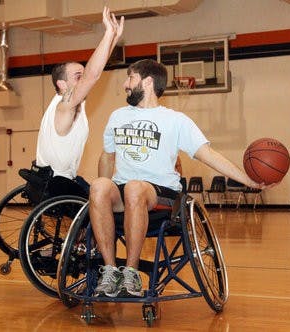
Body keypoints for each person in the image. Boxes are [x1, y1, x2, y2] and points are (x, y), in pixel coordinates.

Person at [89, 59, 267, 298]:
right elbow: (107, 157)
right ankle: (111, 271)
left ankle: (131, 271)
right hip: (124, 191)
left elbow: (208, 155)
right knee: (99, 185)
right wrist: (101, 198)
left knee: (134, 188)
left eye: (130, 78)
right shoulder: (117, 116)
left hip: (161, 193)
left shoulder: (176, 120)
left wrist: (249, 180)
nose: (125, 84)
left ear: (148, 82)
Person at [36, 7, 124, 199]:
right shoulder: (64, 105)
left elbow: (94, 72)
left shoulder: (70, 104)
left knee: (104, 191)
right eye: (78, 77)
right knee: (107, 201)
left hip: (60, 179)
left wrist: (113, 40)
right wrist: (108, 34)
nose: (83, 80)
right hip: (58, 184)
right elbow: (92, 75)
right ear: (62, 84)